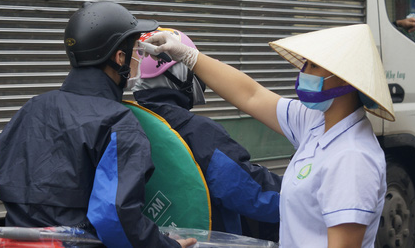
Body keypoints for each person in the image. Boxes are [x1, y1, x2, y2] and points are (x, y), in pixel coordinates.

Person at [145, 24, 395, 248]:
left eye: (314, 65)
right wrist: (190, 57)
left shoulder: (352, 158)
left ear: (344, 79)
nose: (303, 71)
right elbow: (251, 95)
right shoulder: (316, 122)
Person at [0, 1, 196, 248]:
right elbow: (115, 215)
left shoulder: (29, 109)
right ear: (119, 58)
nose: (138, 59)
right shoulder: (117, 123)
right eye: (134, 52)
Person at [131, 28, 282, 240]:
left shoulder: (130, 121)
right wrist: (300, 191)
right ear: (181, 72)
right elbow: (254, 195)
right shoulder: (198, 132)